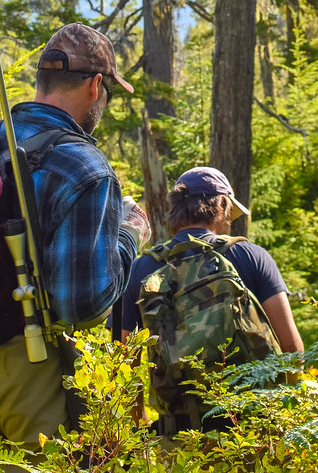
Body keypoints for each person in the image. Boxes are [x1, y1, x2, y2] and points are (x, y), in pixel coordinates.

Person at [0, 23, 151, 461]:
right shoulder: (85, 167)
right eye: (108, 93)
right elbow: (82, 305)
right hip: (34, 371)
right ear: (97, 85)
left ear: (42, 80)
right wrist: (129, 235)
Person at [121, 166, 303, 434]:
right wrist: (288, 417)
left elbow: (125, 360)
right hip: (253, 433)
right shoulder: (251, 256)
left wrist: (140, 426)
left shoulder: (142, 268)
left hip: (178, 440)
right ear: (222, 205)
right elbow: (292, 348)